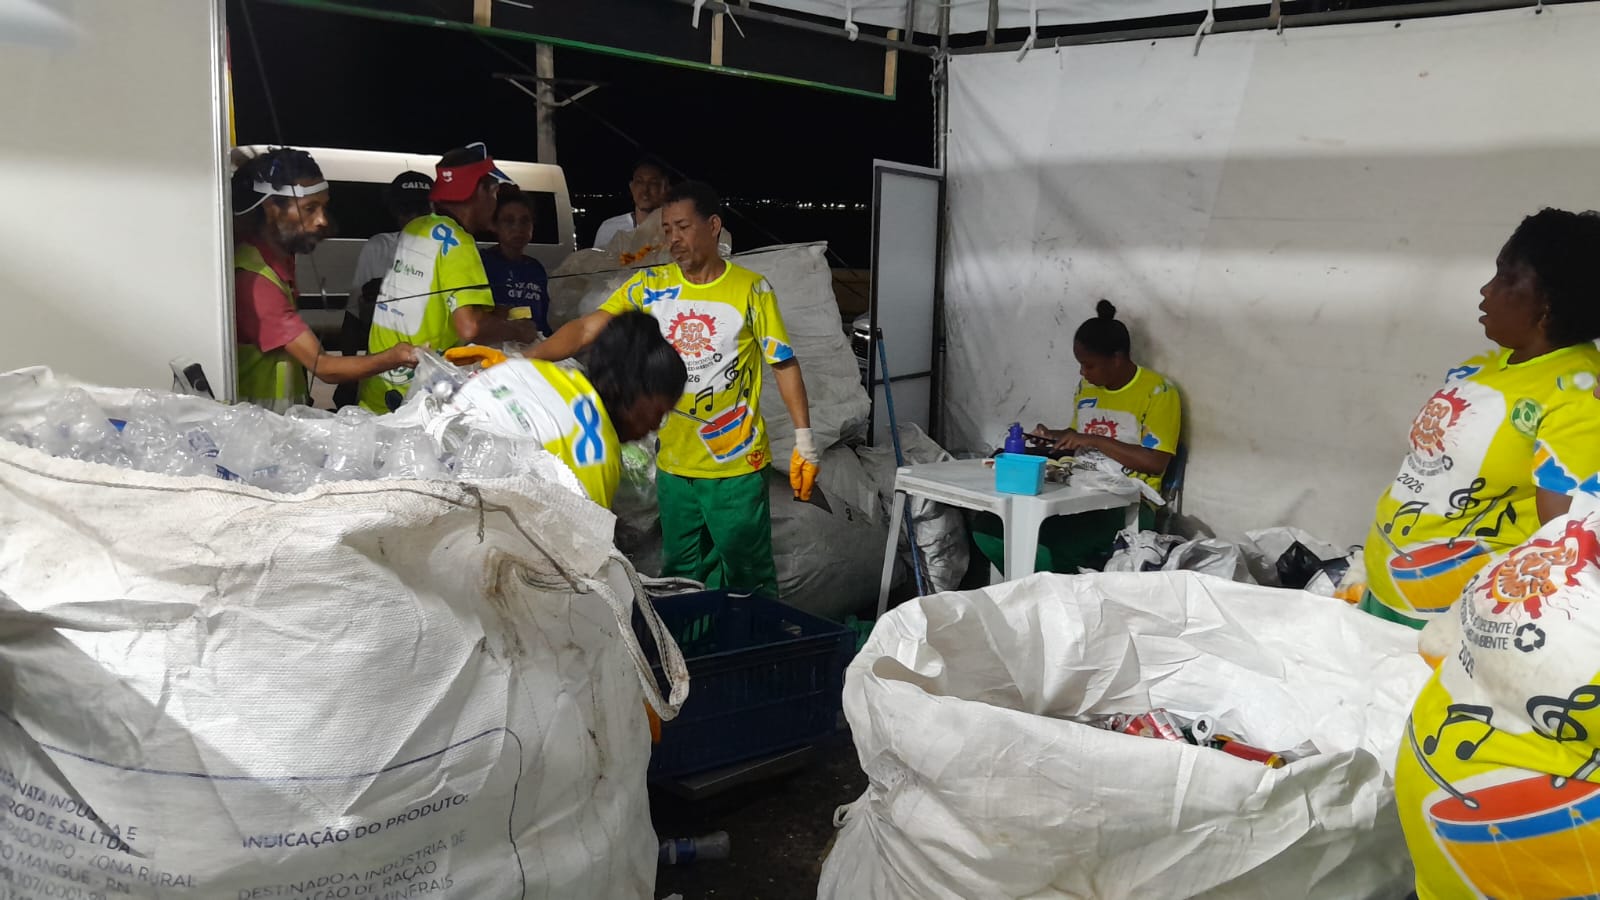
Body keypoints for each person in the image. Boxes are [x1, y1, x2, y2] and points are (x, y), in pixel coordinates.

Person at [530, 181, 818, 598]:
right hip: (674, 464)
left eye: (683, 227)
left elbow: (783, 363)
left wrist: (804, 439)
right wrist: (526, 360)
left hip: (734, 465)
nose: (674, 239)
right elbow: (590, 327)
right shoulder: (653, 286)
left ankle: (749, 654)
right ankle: (693, 654)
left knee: (746, 573)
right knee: (680, 574)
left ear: (713, 225)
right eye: (667, 229)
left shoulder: (750, 289)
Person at [1360, 208, 1600, 629]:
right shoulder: (1482, 367)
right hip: (1388, 589)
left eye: (1507, 279)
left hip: (1450, 622)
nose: (1486, 290)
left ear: (1547, 302)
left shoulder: (1579, 394)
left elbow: (1565, 539)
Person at [1396, 495, 1600, 900]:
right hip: (1526, 854)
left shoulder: (1566, 535)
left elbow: (1433, 644)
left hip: (1439, 841)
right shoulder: (1586, 649)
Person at [972, 300, 1181, 574]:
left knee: (1045, 543)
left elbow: (1156, 463)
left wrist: (1093, 440)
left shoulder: (1158, 392)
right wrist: (1054, 437)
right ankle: (1041, 586)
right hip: (1077, 489)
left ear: (1117, 358)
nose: (1083, 373)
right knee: (990, 526)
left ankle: (1054, 590)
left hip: (1127, 503)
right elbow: (1079, 437)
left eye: (1089, 365)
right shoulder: (1088, 388)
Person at [359, 143, 541, 413]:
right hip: (418, 398)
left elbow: (434, 300)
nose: (495, 202)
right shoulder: (457, 241)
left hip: (379, 387)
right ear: (480, 191)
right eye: (494, 192)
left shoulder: (417, 227)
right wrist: (519, 330)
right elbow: (469, 328)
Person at [232, 147, 416, 411]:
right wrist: (397, 356)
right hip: (258, 430)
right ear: (272, 209)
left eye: (323, 207)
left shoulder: (279, 260)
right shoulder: (255, 281)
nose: (322, 221)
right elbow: (324, 367)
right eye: (310, 208)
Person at [444, 312, 686, 508]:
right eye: (657, 412)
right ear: (633, 393)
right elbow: (580, 554)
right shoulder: (596, 455)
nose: (654, 426)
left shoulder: (545, 372)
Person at [481, 189, 552, 335]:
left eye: (525, 221)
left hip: (533, 346)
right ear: (494, 225)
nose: (518, 228)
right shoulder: (483, 264)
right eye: (508, 221)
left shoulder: (535, 268)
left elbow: (543, 320)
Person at [591, 157, 668, 250]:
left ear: (664, 187)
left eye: (653, 183)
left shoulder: (673, 231)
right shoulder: (609, 229)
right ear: (631, 187)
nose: (645, 189)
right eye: (639, 181)